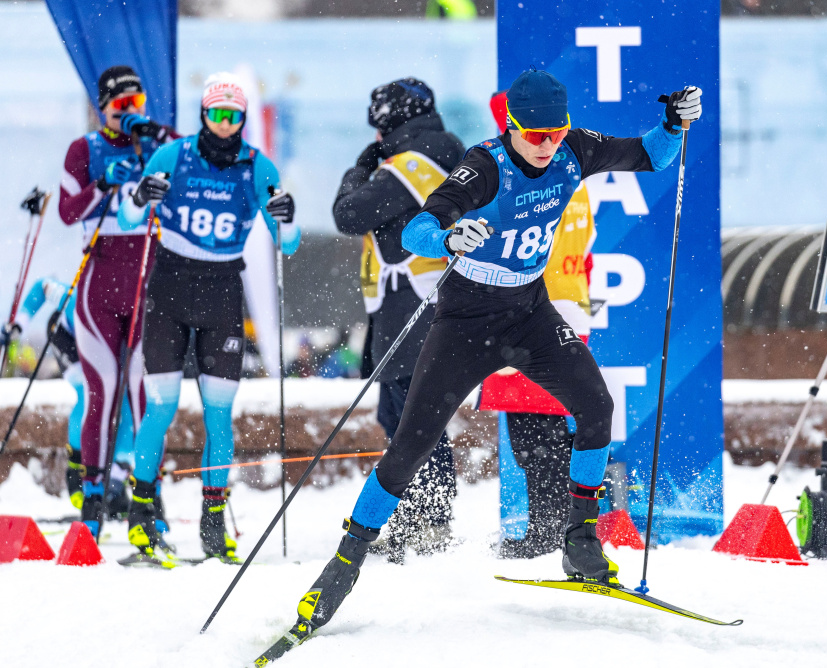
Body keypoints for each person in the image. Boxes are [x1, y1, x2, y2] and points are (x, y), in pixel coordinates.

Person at [259, 69, 701, 657]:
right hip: (467, 320)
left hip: (530, 309)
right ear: (513, 127)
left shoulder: (573, 149)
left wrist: (673, 122)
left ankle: (580, 537)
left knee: (596, 406)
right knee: (410, 446)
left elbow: (651, 154)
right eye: (536, 134)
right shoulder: (484, 165)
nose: (547, 145)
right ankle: (345, 563)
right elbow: (420, 225)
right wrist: (447, 238)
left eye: (556, 132)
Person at [118, 72, 300, 566]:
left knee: (220, 414)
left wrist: (287, 215)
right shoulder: (173, 155)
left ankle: (214, 524)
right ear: (203, 114)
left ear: (242, 119)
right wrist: (139, 197)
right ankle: (141, 517)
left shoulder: (256, 167)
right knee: (162, 407)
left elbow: (289, 242)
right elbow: (128, 220)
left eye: (234, 116)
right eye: (217, 114)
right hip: (171, 288)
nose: (225, 123)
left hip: (221, 293)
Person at [332, 77, 464, 564]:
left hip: (418, 303)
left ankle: (429, 520)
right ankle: (420, 514)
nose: (376, 137)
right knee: (400, 415)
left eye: (379, 124)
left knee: (415, 417)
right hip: (410, 303)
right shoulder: (439, 150)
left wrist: (357, 170)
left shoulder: (419, 158)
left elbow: (348, 214)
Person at [58, 65, 179, 539]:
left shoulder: (161, 139)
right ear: (103, 107)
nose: (131, 114)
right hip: (100, 286)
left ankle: (148, 494)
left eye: (138, 103)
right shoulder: (84, 149)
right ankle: (91, 496)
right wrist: (104, 182)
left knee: (146, 396)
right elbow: (69, 212)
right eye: (121, 106)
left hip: (148, 284)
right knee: (102, 395)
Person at [479, 90, 597, 560]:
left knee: (534, 436)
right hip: (564, 306)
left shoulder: (520, 178)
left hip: (532, 310)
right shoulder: (571, 174)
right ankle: (553, 527)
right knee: (542, 430)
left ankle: (547, 533)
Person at [4, 278, 135, 513]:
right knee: (90, 396)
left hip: (110, 345)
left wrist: (119, 471)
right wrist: (20, 323)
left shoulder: (130, 312)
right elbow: (42, 285)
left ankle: (115, 480)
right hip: (67, 337)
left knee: (126, 400)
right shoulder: (74, 298)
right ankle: (76, 469)